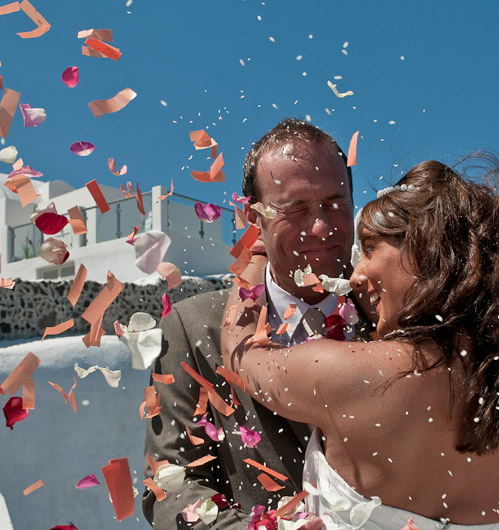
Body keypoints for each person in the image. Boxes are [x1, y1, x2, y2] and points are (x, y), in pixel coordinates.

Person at [222, 154, 499, 529]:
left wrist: (257, 248)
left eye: (369, 249)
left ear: (425, 252)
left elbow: (243, 354)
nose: (355, 276)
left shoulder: (351, 373)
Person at [143, 118, 368, 529]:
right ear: (253, 217)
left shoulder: (395, 312)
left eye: (335, 203)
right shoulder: (192, 331)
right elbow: (169, 485)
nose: (321, 226)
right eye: (296, 208)